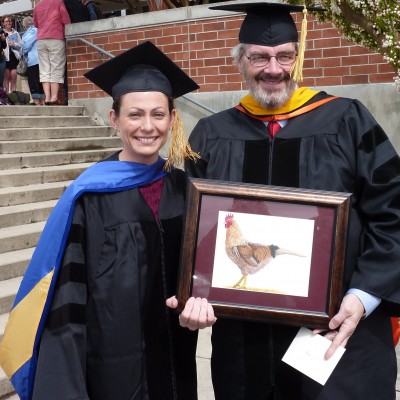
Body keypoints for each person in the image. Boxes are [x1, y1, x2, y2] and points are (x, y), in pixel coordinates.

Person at [185, 2, 400, 399]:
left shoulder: (346, 121)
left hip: (336, 334)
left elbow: (394, 212)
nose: (273, 68)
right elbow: (191, 230)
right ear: (240, 60)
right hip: (243, 344)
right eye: (260, 57)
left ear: (297, 58)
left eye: (285, 55)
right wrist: (192, 290)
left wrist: (363, 296)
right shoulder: (210, 136)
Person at [0, 41, 216, 400]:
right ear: (114, 118)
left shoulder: (185, 191)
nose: (147, 126)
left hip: (175, 367)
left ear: (172, 118)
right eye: (135, 114)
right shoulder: (89, 197)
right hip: (110, 375)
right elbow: (65, 310)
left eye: (158, 114)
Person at [33, 0, 71, 105]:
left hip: (41, 39)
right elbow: (66, 21)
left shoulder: (38, 5)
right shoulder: (58, 3)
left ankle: (47, 97)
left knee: (44, 69)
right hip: (56, 38)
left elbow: (35, 23)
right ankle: (54, 96)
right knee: (56, 67)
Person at [21, 17, 45, 106]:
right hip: (42, 59)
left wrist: (21, 50)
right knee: (41, 80)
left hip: (33, 60)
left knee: (33, 81)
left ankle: (37, 102)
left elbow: (26, 47)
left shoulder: (30, 32)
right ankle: (42, 101)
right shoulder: (38, 30)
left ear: (25, 25)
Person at [1, 16, 22, 93]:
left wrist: (14, 44)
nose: (9, 23)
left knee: (13, 78)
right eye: (6, 21)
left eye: (10, 21)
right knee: (6, 79)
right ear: (3, 23)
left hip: (14, 57)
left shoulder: (16, 33)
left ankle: (13, 96)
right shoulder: (1, 33)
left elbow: (20, 45)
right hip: (5, 58)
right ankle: (5, 97)